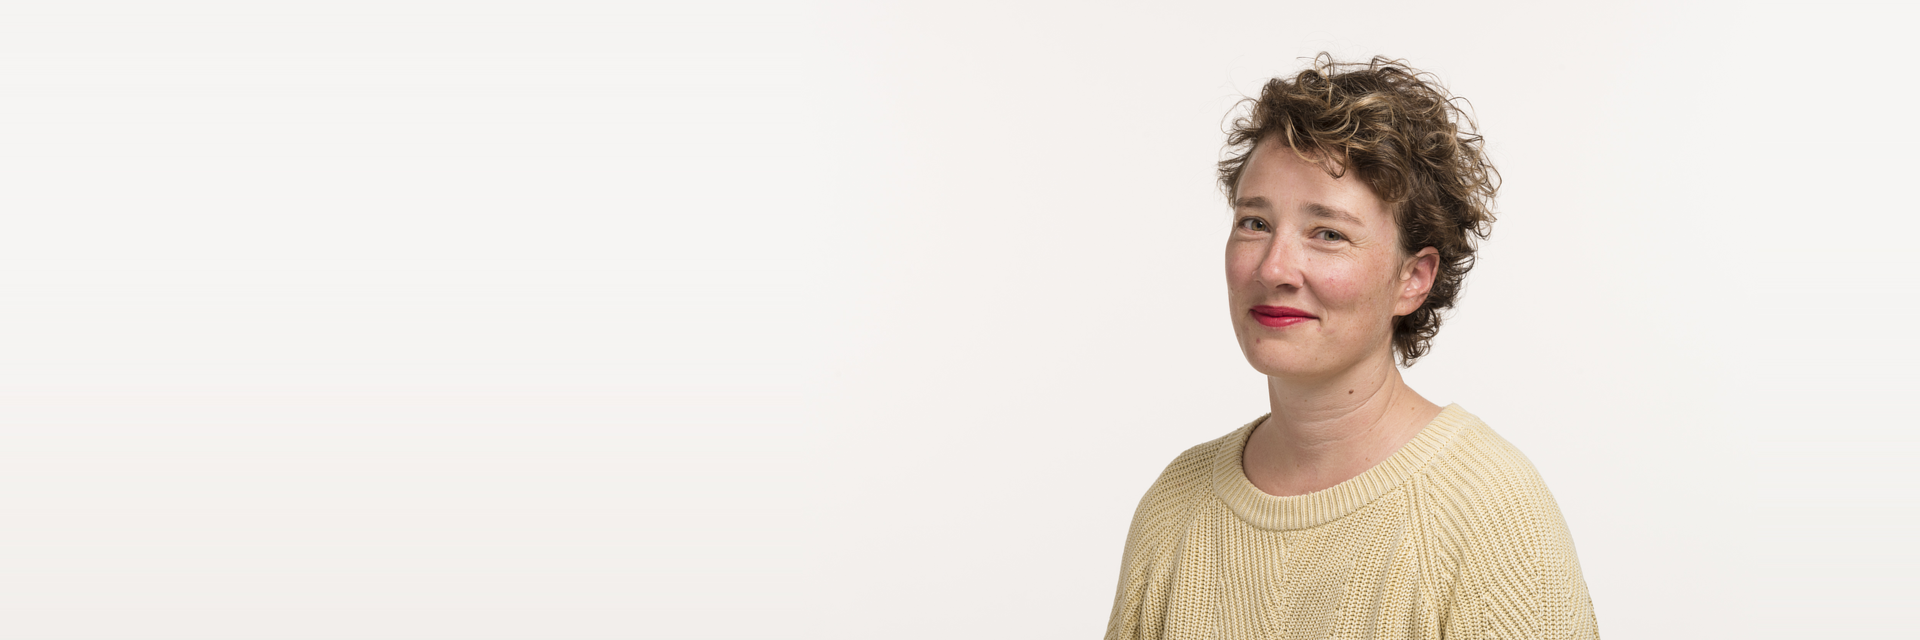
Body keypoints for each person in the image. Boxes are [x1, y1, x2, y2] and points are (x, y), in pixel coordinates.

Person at [1104, 55, 1599, 639]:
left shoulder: (1493, 517)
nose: (1274, 268)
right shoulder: (1173, 509)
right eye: (1255, 222)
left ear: (1413, 278)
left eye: (1328, 234)